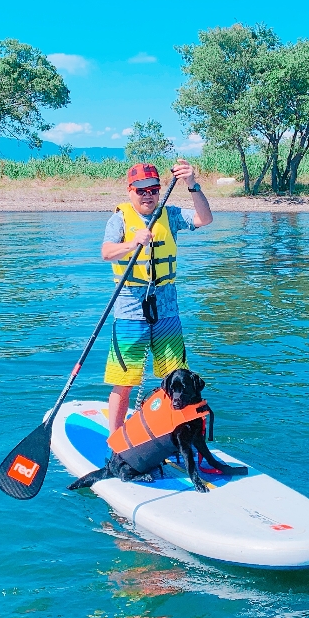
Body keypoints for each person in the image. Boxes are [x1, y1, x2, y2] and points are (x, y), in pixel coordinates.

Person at [100, 159, 213, 437]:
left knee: (177, 380)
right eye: (141, 190)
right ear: (130, 191)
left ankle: (178, 436)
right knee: (124, 382)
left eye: (152, 189)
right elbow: (106, 252)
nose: (147, 194)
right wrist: (132, 242)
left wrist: (192, 184)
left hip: (167, 309)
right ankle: (115, 442)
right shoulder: (120, 219)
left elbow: (204, 219)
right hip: (130, 310)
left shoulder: (170, 214)